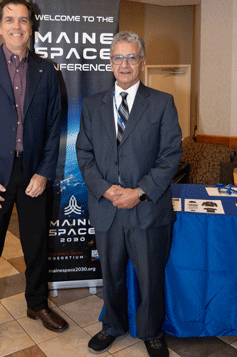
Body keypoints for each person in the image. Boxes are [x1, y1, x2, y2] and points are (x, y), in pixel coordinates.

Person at [0, 0, 69, 357]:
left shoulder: (47, 71)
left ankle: (37, 304)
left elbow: (55, 127)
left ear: (31, 26)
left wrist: (44, 172)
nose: (17, 26)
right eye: (10, 20)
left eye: (23, 20)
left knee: (36, 246)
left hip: (33, 174)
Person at [76, 31, 182, 357]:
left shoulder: (162, 103)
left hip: (147, 209)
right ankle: (113, 325)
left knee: (150, 276)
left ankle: (151, 331)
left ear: (142, 62)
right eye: (118, 58)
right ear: (110, 63)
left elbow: (170, 155)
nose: (124, 64)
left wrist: (139, 192)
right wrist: (106, 190)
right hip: (107, 209)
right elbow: (84, 153)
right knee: (112, 275)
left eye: (131, 57)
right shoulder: (93, 105)